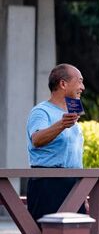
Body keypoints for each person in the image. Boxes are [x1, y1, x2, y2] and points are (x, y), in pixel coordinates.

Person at [26, 64, 87, 223]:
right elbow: (36, 140)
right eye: (79, 81)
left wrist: (83, 192)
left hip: (73, 185)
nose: (82, 87)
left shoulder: (72, 113)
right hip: (48, 184)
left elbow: (75, 155)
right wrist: (61, 125)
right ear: (63, 84)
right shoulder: (41, 111)